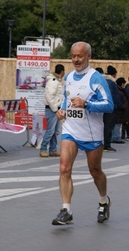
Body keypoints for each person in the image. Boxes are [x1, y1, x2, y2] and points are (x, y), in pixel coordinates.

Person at [52, 41, 114, 225]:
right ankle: (66, 210)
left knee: (95, 171)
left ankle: (103, 201)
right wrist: (62, 110)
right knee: (64, 168)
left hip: (92, 133)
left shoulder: (96, 78)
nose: (76, 60)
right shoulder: (69, 77)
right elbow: (65, 99)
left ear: (89, 57)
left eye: (80, 56)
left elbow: (109, 105)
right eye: (73, 56)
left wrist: (87, 104)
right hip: (71, 129)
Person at [39, 64, 65, 158]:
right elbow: (49, 97)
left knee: (56, 131)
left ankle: (53, 149)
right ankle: (43, 149)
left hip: (55, 109)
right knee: (50, 131)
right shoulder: (53, 82)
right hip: (52, 109)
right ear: (62, 72)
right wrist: (55, 109)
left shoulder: (56, 81)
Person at [102, 65, 120, 152]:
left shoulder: (103, 81)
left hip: (103, 107)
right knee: (108, 126)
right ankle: (107, 145)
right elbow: (113, 96)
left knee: (104, 126)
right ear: (114, 74)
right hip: (110, 107)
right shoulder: (111, 82)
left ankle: (103, 144)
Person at [112, 77, 129, 144]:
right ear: (122, 84)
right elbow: (120, 101)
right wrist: (123, 106)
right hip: (119, 110)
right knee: (117, 124)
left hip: (117, 109)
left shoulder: (117, 90)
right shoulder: (120, 91)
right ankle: (116, 138)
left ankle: (114, 137)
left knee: (115, 124)